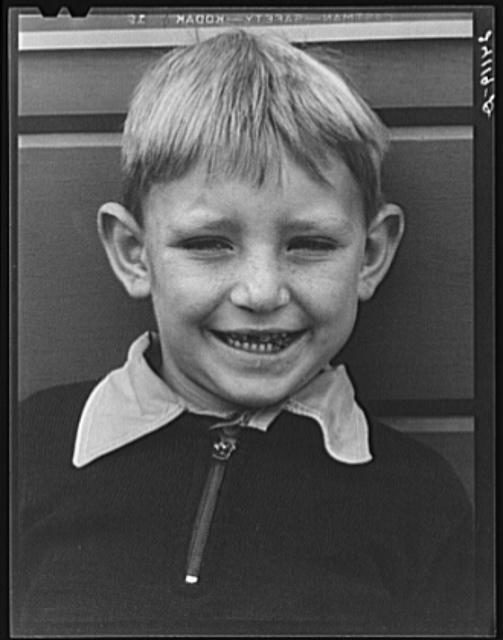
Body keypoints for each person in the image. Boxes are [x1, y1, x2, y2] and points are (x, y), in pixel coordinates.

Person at [13, 30, 474, 636]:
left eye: (310, 245)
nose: (261, 293)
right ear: (134, 253)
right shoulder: (30, 450)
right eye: (208, 244)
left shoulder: (419, 501)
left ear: (371, 255)